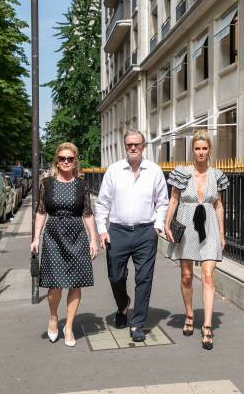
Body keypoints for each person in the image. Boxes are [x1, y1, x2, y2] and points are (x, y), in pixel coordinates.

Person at [94, 129, 169, 342]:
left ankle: (137, 324)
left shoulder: (154, 171)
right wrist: (102, 229)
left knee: (144, 279)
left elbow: (162, 202)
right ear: (125, 146)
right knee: (115, 276)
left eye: (137, 144)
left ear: (143, 146)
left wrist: (157, 225)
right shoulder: (114, 170)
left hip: (146, 232)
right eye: (129, 145)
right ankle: (123, 305)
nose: (133, 148)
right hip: (117, 231)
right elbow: (102, 203)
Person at [164, 130, 229, 350]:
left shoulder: (217, 175)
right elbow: (173, 201)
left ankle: (208, 325)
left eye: (204, 148)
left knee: (208, 276)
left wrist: (221, 233)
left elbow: (219, 205)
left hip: (209, 227)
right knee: (186, 276)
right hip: (186, 226)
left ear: (210, 150)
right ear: (192, 150)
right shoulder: (181, 173)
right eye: (197, 148)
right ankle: (190, 314)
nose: (201, 152)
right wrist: (166, 224)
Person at [30, 142, 98, 347]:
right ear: (57, 162)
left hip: (77, 235)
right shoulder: (47, 183)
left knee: (76, 283)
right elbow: (41, 211)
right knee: (55, 284)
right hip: (53, 237)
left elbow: (87, 212)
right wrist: (36, 237)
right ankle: (53, 316)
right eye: (62, 159)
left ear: (75, 161)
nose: (66, 162)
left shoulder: (82, 184)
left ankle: (68, 325)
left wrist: (93, 238)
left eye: (70, 159)